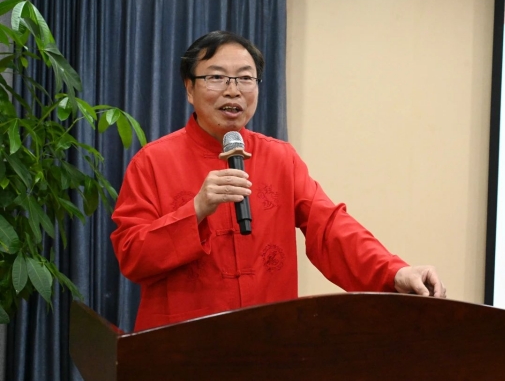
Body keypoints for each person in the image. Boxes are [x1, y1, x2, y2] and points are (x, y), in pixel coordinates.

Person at [111, 30, 446, 332]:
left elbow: (330, 228)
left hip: (269, 339)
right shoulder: (152, 162)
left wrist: (394, 272)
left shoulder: (280, 158)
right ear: (189, 88)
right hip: (180, 343)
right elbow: (131, 255)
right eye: (217, 77)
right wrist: (196, 210)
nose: (233, 90)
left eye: (245, 78)